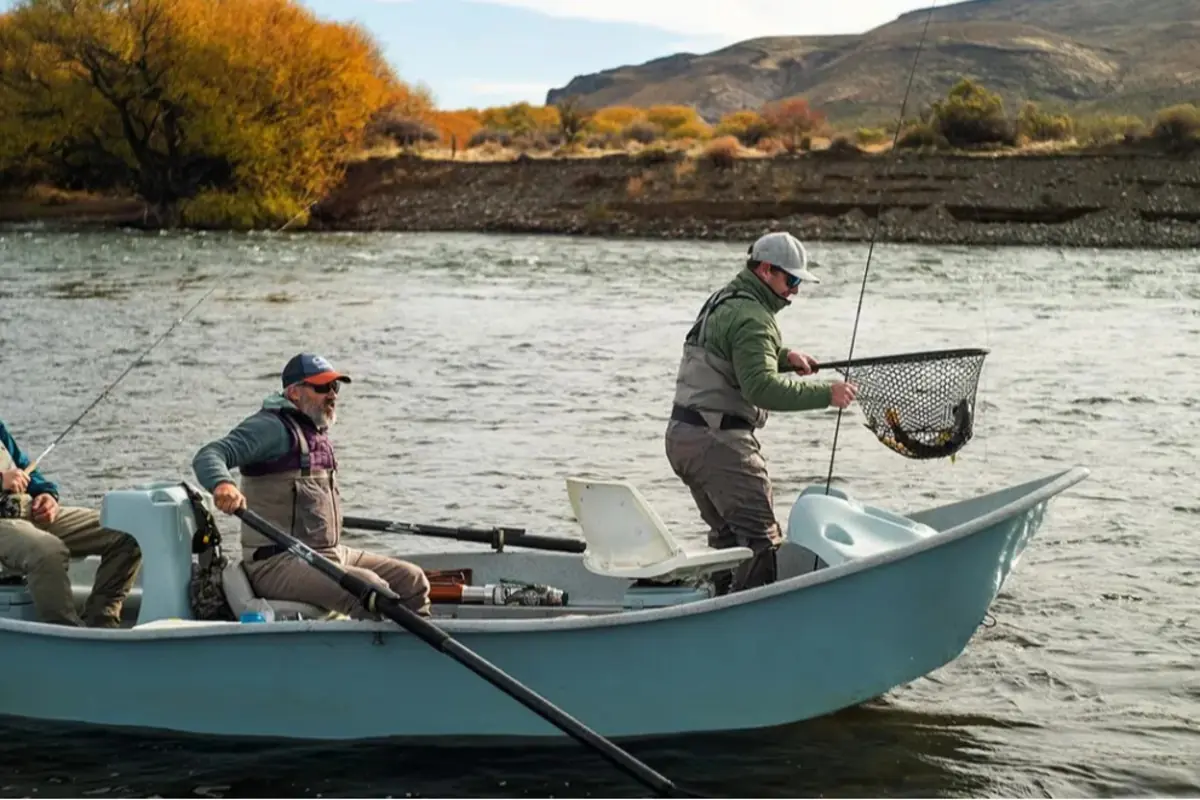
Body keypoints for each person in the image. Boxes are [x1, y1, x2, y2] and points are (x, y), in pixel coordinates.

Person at [665, 231, 858, 595]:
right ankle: (752, 620)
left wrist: (784, 357)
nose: (796, 290)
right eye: (792, 279)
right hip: (718, 442)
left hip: (683, 438)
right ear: (767, 271)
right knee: (760, 540)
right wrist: (827, 394)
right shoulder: (755, 318)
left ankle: (713, 612)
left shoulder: (724, 299)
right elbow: (760, 389)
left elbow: (733, 352)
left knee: (726, 543)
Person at [192, 353, 431, 617]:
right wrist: (223, 484)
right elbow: (210, 454)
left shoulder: (314, 432)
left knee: (413, 579)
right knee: (370, 590)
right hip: (277, 563)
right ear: (294, 393)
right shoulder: (270, 427)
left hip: (327, 554)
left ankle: (417, 654)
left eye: (334, 387)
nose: (332, 395)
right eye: (321, 387)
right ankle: (374, 652)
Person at [0, 419, 142, 627]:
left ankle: (101, 624)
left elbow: (26, 469)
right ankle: (67, 634)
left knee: (127, 530)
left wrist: (47, 496)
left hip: (26, 510)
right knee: (48, 551)